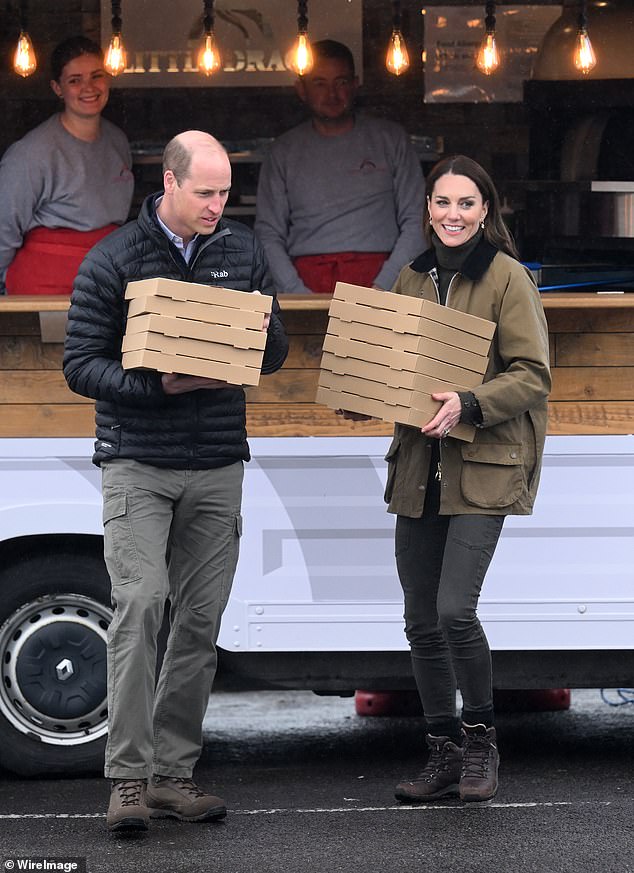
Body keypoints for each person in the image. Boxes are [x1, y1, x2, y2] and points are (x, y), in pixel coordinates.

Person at [63, 130, 288, 832]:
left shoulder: (243, 251)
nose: (219, 205)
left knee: (198, 620)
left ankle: (172, 774)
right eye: (206, 192)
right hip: (138, 460)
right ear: (169, 181)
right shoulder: (114, 257)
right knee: (141, 604)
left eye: (226, 193)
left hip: (218, 461)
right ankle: (127, 780)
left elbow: (274, 354)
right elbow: (79, 364)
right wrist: (152, 384)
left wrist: (263, 324)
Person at [343, 155, 550, 803]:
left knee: (455, 609)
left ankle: (483, 742)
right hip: (418, 469)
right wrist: (363, 391)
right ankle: (442, 750)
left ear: (487, 210)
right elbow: (400, 374)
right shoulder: (411, 277)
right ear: (427, 209)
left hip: (482, 465)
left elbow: (532, 374)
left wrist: (470, 400)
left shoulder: (508, 278)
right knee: (420, 619)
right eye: (442, 202)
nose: (453, 214)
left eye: (466, 203)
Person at [254, 39, 425, 295]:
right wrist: (297, 294)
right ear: (301, 89)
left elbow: (417, 222)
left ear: (356, 85)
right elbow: (268, 233)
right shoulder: (283, 151)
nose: (332, 94)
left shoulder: (390, 140)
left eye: (341, 82)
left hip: (381, 276)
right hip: (306, 279)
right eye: (319, 84)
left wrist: (384, 287)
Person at [0, 36, 133, 295]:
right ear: (57, 88)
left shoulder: (118, 141)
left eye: (97, 76)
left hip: (108, 278)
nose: (89, 87)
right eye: (75, 80)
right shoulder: (30, 153)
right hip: (44, 286)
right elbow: (3, 226)